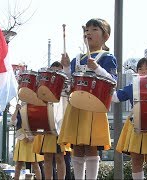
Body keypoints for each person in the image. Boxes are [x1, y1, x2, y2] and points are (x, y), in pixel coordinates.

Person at [58, 18, 117, 179]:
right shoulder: (77, 58)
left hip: (94, 107)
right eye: (87, 30)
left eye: (94, 29)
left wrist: (97, 68)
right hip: (76, 105)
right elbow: (69, 81)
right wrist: (65, 67)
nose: (88, 33)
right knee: (77, 145)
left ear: (105, 36)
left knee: (91, 145)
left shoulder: (107, 57)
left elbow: (113, 81)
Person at [32, 61, 67, 180]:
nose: (55, 73)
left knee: (59, 156)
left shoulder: (65, 86)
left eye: (58, 71)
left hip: (60, 124)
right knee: (47, 157)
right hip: (47, 122)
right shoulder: (44, 86)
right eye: (53, 71)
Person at [11, 104, 44, 180]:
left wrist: (33, 136)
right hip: (21, 138)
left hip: (32, 139)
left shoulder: (35, 110)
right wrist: (16, 110)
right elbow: (13, 121)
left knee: (35, 164)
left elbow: (39, 125)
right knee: (19, 164)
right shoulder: (19, 110)